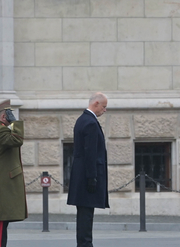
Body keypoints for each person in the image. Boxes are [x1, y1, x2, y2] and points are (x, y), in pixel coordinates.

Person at [0, 99, 27, 247]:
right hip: (1, 183)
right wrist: (16, 123)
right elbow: (18, 140)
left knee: (1, 227)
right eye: (10, 114)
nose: (11, 117)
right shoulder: (0, 130)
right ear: (4, 117)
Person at [67, 92, 109, 247]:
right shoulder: (90, 123)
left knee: (84, 214)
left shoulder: (82, 119)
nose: (104, 110)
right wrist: (92, 177)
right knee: (86, 216)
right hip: (87, 176)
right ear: (96, 103)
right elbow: (90, 153)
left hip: (81, 174)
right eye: (104, 107)